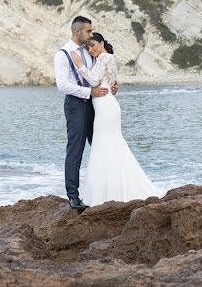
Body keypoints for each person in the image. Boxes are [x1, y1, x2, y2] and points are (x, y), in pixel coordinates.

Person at [70, 32, 161, 207]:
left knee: (104, 145)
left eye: (93, 45)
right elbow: (109, 81)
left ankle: (108, 192)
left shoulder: (104, 57)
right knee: (108, 145)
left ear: (102, 43)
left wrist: (80, 64)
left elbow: (95, 81)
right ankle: (111, 189)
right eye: (88, 47)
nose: (91, 49)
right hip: (106, 104)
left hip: (105, 106)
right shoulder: (106, 58)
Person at [53, 16, 118, 210]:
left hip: (97, 104)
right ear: (78, 31)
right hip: (76, 105)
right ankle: (73, 196)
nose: (91, 34)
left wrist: (112, 85)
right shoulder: (63, 54)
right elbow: (62, 85)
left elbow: (99, 76)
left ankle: (107, 190)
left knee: (101, 145)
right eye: (89, 31)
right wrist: (89, 92)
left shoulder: (91, 52)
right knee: (76, 148)